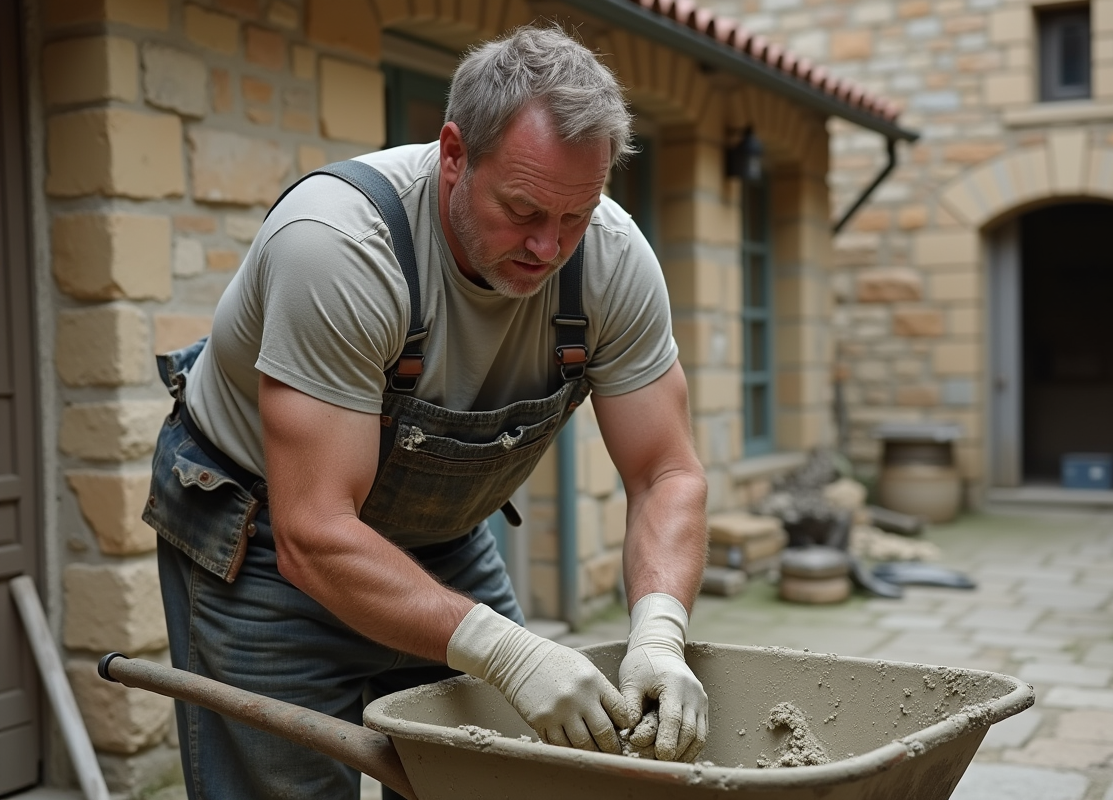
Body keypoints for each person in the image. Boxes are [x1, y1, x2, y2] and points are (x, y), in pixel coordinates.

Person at [144, 23, 709, 799]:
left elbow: (666, 472)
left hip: (439, 540)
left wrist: (660, 632)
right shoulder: (340, 247)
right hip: (266, 543)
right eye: (523, 211)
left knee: (495, 782)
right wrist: (508, 652)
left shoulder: (612, 259)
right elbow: (315, 535)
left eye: (574, 217)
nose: (549, 249)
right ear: (453, 155)